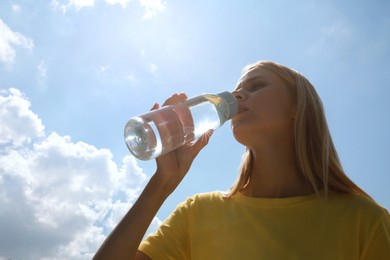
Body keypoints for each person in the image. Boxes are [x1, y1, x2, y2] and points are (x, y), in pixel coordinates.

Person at [94, 61, 390, 259]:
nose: (238, 95)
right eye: (238, 89)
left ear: (297, 108)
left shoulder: (364, 221)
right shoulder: (198, 213)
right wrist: (163, 182)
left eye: (256, 86)